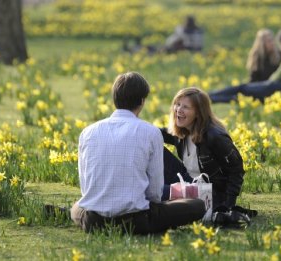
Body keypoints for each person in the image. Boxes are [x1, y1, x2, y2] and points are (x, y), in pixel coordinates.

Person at [71, 72, 206, 234]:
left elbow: (85, 188)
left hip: (94, 221)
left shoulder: (87, 132)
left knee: (77, 206)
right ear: (142, 101)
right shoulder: (150, 132)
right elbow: (154, 194)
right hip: (137, 221)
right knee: (198, 205)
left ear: (114, 98)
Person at [160, 87, 245, 211]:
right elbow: (153, 133)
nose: (179, 110)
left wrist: (228, 205)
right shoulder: (181, 132)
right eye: (177, 104)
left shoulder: (215, 137)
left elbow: (236, 170)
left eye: (185, 107)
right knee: (156, 146)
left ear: (198, 112)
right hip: (189, 180)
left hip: (209, 191)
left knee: (156, 192)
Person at [209, 28, 281, 103]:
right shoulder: (258, 57)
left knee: (240, 93)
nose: (273, 43)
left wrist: (267, 84)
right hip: (266, 88)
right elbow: (253, 79)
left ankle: (212, 98)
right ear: (262, 44)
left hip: (271, 89)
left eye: (273, 40)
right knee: (241, 89)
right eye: (269, 41)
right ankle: (211, 96)